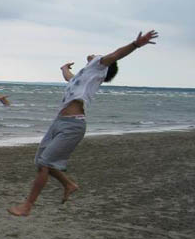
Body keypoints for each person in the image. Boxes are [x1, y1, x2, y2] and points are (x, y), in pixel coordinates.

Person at [8, 30, 158, 217]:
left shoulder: (99, 66)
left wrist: (136, 44)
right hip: (59, 122)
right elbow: (68, 78)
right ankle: (69, 184)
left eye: (98, 56)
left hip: (73, 125)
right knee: (40, 162)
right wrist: (63, 68)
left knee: (45, 164)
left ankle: (27, 206)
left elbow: (117, 54)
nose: (94, 55)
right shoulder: (83, 76)